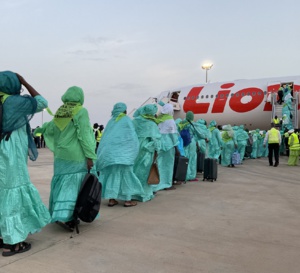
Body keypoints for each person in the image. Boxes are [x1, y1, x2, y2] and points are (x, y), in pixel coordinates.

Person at [0, 71, 51, 256]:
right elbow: (43, 102)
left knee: (2, 192)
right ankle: (12, 243)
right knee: (13, 190)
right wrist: (25, 81)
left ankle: (3, 235)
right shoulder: (14, 102)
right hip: (10, 151)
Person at [35, 86, 97, 230]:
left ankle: (61, 213)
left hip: (60, 156)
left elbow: (50, 128)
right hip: (76, 155)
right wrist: (90, 156)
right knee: (74, 185)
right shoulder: (81, 111)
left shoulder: (61, 112)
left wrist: (39, 130)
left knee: (62, 182)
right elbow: (85, 135)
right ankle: (69, 216)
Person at [96, 102, 144, 207]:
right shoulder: (126, 120)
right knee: (126, 176)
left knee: (111, 176)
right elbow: (132, 137)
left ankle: (112, 200)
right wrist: (132, 152)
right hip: (123, 155)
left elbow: (105, 138)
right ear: (125, 111)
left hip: (109, 155)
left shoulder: (110, 122)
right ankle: (127, 200)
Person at [132, 104, 161, 201]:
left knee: (134, 170)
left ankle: (132, 193)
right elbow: (156, 139)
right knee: (144, 171)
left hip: (135, 148)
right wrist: (157, 152)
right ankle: (143, 193)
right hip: (146, 149)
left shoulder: (135, 121)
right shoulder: (152, 124)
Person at [152, 103, 179, 191]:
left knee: (159, 164)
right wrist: (176, 147)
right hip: (169, 146)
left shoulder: (159, 120)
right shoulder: (171, 121)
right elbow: (173, 136)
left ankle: (156, 184)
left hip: (160, 145)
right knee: (168, 165)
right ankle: (167, 184)